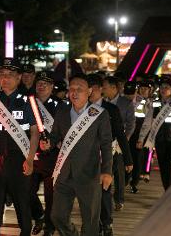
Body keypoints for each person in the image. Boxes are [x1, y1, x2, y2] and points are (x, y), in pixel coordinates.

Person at [41, 73, 113, 236]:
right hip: (64, 174)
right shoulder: (62, 111)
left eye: (79, 89)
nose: (74, 92)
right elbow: (55, 136)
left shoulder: (99, 114)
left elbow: (106, 144)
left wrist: (107, 171)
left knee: (90, 220)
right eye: (71, 89)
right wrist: (48, 143)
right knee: (57, 216)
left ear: (89, 91)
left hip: (89, 174)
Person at [0, 58, 39, 236]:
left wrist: (30, 159)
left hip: (18, 161)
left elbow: (35, 132)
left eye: (10, 75)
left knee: (22, 205)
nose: (5, 78)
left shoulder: (28, 102)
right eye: (2, 75)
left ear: (19, 77)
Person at [87, 74, 132, 236]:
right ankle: (94, 223)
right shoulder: (81, 108)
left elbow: (120, 134)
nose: (89, 91)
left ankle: (106, 223)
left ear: (99, 89)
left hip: (106, 155)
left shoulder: (111, 109)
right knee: (89, 192)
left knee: (104, 190)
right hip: (85, 158)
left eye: (91, 88)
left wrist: (128, 159)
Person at [30, 71, 62, 236]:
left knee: (51, 196)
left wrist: (52, 142)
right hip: (32, 155)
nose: (41, 86)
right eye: (39, 83)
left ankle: (49, 227)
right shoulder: (29, 102)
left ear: (51, 87)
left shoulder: (60, 105)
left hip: (52, 156)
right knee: (27, 190)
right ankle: (38, 215)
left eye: (45, 84)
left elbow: (64, 130)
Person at [102, 76, 135, 210]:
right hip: (105, 143)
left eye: (105, 87)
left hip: (120, 142)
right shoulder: (101, 102)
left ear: (114, 88)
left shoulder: (125, 103)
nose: (103, 90)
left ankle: (119, 199)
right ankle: (106, 198)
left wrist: (124, 140)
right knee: (107, 170)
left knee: (119, 172)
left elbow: (131, 123)